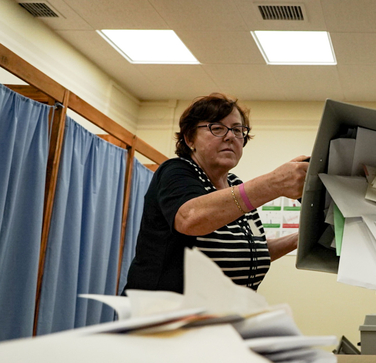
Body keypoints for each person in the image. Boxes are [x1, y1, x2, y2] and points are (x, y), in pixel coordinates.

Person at [124, 93, 309, 293]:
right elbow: (191, 218)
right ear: (189, 138)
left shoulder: (235, 185)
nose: (230, 136)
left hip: (222, 315)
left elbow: (250, 252)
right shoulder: (176, 171)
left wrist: (301, 238)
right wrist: (273, 183)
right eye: (217, 128)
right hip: (163, 317)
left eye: (238, 130)